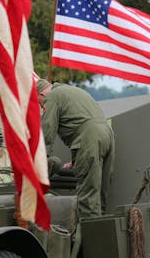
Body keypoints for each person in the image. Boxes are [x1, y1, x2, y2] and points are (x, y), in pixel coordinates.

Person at [36, 78, 115, 218]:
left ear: (42, 94)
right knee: (100, 193)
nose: (41, 105)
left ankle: (91, 237)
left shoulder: (52, 97)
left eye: (39, 102)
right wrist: (78, 158)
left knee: (88, 197)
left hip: (89, 139)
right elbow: (80, 121)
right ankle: (102, 229)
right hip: (107, 135)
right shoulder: (74, 91)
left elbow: (47, 132)